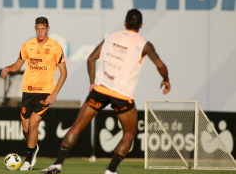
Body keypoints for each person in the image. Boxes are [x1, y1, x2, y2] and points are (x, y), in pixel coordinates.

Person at [41, 9, 171, 174]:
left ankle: (57, 164)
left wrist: (92, 83)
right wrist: (166, 80)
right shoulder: (144, 44)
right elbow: (160, 65)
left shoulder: (111, 37)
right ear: (141, 25)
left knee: (78, 126)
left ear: (125, 23)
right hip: (122, 94)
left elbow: (91, 58)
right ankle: (111, 169)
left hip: (100, 90)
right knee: (129, 133)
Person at [1, 17, 67, 171]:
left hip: (45, 92)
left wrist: (54, 93)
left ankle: (28, 160)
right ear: (35, 28)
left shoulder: (55, 47)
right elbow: (18, 65)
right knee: (26, 129)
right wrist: (8, 68)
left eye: (43, 28)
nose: (40, 31)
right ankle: (34, 148)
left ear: (48, 29)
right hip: (28, 92)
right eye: (37, 28)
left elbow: (63, 73)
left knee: (33, 124)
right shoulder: (28, 45)